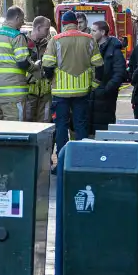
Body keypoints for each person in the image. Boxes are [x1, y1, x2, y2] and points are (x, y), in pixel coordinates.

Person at [42, 10, 102, 171]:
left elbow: (47, 66)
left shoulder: (55, 40)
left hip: (60, 92)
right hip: (82, 91)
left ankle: (62, 163)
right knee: (81, 126)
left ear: (63, 24)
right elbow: (99, 65)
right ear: (76, 23)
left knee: (61, 127)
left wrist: (51, 81)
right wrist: (94, 85)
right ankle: (80, 162)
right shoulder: (89, 39)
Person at [0, 6, 30, 121]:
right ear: (17, 18)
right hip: (14, 96)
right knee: (16, 131)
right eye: (22, 19)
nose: (23, 22)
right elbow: (23, 62)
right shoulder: (17, 36)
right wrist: (35, 68)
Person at [90, 21, 126, 131]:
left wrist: (106, 90)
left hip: (106, 97)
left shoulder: (114, 51)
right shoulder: (92, 48)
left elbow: (119, 73)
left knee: (104, 129)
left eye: (94, 31)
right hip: (92, 95)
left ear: (102, 32)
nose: (91, 33)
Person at [24, 16, 53, 122]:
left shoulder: (50, 44)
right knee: (27, 123)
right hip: (29, 92)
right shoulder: (23, 43)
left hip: (46, 93)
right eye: (47, 29)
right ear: (38, 27)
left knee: (45, 124)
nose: (48, 31)